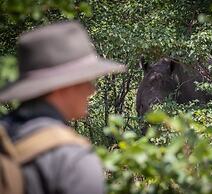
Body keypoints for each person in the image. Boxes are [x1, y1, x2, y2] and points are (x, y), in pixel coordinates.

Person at [0, 21, 125, 194]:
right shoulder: (72, 158)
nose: (91, 89)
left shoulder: (5, 132)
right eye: (85, 80)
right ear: (62, 85)